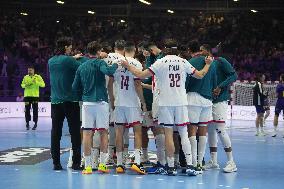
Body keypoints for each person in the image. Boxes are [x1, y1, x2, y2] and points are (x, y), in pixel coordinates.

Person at [121, 39, 213, 176]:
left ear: (165, 49)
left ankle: (170, 167)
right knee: (183, 134)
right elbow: (200, 75)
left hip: (165, 102)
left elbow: (140, 75)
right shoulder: (183, 62)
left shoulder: (160, 62)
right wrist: (208, 65)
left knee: (168, 134)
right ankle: (189, 165)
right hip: (180, 102)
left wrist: (128, 66)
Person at [72, 41, 118, 175]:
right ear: (98, 52)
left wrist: (84, 93)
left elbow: (75, 87)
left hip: (87, 103)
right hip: (101, 102)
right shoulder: (100, 63)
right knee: (103, 133)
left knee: (87, 134)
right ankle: (102, 165)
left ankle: (87, 166)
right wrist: (116, 63)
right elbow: (109, 71)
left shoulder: (81, 66)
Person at [108, 41, 147, 174]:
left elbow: (110, 84)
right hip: (132, 103)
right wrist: (143, 102)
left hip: (119, 102)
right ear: (135, 50)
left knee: (119, 132)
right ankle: (137, 161)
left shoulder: (117, 63)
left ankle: (119, 164)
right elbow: (137, 85)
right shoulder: (137, 64)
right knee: (137, 132)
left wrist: (112, 100)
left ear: (124, 50)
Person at [200, 45, 238, 173]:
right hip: (209, 101)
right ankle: (213, 161)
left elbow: (233, 75)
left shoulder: (220, 61)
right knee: (210, 130)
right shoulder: (205, 64)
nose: (200, 53)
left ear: (208, 51)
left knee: (221, 129)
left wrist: (220, 86)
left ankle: (231, 162)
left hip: (220, 101)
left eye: (202, 50)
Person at [48, 37, 82, 171]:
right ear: (66, 47)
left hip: (55, 102)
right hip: (70, 101)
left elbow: (63, 63)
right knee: (75, 133)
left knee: (55, 133)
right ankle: (76, 163)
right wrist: (77, 58)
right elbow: (82, 68)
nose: (71, 49)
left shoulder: (51, 61)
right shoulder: (69, 60)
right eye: (70, 47)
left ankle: (56, 163)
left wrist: (73, 57)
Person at [186, 41, 217, 174]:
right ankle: (200, 162)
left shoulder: (190, 61)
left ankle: (193, 162)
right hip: (207, 100)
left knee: (192, 130)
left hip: (193, 98)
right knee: (203, 130)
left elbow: (186, 82)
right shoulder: (212, 63)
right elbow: (214, 83)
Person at [21, 66, 45, 130]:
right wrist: (26, 85)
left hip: (35, 97)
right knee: (27, 110)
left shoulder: (38, 77)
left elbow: (43, 85)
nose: (29, 71)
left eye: (30, 70)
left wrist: (36, 82)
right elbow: (22, 85)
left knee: (35, 110)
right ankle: (27, 123)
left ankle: (35, 123)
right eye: (28, 70)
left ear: (33, 70)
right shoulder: (25, 77)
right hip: (27, 96)